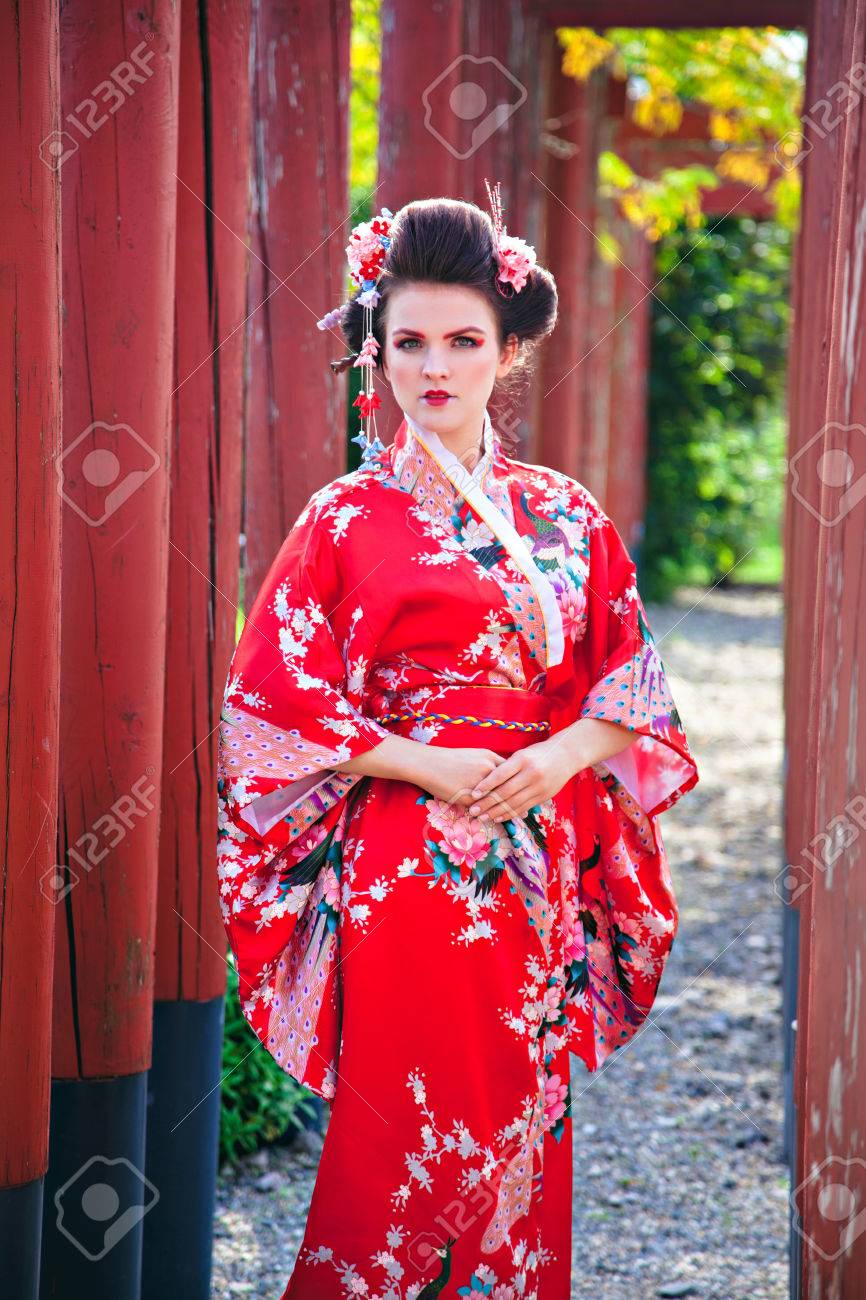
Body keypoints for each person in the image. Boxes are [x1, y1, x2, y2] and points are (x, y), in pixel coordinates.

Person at [216, 189, 699, 1299]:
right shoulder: (342, 519)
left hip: (532, 864)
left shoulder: (565, 517)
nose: (434, 367)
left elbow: (630, 683)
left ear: (508, 350)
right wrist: (419, 761)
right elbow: (266, 707)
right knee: (394, 1130)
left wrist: (560, 755)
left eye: (463, 341)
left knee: (517, 1127)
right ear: (374, 352)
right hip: (402, 871)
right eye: (410, 342)